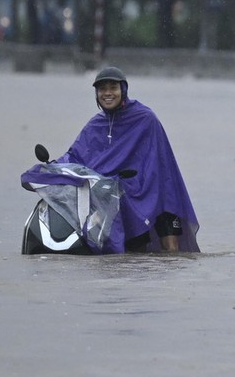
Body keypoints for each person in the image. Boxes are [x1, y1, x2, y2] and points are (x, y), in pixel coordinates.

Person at [63, 66, 200, 252]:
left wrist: (139, 183)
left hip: (159, 193)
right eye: (102, 89)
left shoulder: (145, 118)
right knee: (134, 256)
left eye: (113, 88)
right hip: (124, 197)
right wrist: (51, 170)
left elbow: (159, 161)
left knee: (172, 251)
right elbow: (75, 157)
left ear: (123, 90)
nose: (108, 93)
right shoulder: (95, 125)